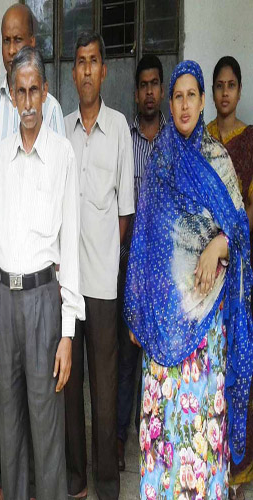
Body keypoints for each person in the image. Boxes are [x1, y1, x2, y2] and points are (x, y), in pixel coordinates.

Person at [125, 60, 253, 499]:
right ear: (170, 102)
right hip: (164, 323)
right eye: (177, 96)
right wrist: (137, 309)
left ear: (202, 103)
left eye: (191, 96)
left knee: (199, 430)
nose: (183, 105)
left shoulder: (218, 160)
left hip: (205, 326)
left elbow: (240, 233)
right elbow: (144, 240)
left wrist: (219, 244)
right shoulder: (160, 160)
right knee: (166, 434)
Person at [0, 45, 85, 500]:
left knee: (46, 425)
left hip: (45, 302)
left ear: (45, 94)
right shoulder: (0, 157)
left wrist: (67, 334)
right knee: (11, 427)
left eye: (33, 91)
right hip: (5, 302)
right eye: (19, 92)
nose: (26, 102)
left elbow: (71, 250)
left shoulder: (62, 155)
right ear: (11, 96)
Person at [64, 32, 134, 500]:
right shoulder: (62, 131)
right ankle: (76, 479)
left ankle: (107, 482)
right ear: (73, 73)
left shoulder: (119, 129)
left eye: (94, 61)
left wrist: (104, 252)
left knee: (105, 390)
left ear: (104, 71)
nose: (87, 70)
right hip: (68, 285)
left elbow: (124, 214)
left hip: (104, 284)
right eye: (80, 62)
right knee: (69, 387)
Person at [117, 54, 166, 471]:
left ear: (161, 91)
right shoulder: (124, 136)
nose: (149, 91)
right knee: (124, 356)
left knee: (156, 356)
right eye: (143, 85)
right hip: (128, 263)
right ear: (136, 93)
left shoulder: (174, 139)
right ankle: (118, 438)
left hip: (164, 271)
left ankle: (147, 435)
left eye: (154, 84)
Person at [208, 55, 253, 500]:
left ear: (239, 90)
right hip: (206, 273)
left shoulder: (249, 141)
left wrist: (231, 235)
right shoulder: (201, 139)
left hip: (238, 268)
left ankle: (238, 474)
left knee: (239, 365)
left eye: (231, 85)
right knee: (213, 370)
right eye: (218, 86)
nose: (224, 93)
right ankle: (212, 462)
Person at [0, 3, 65, 159]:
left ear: (32, 42)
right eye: (6, 40)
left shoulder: (51, 109)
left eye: (17, 40)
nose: (11, 50)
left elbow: (60, 167)